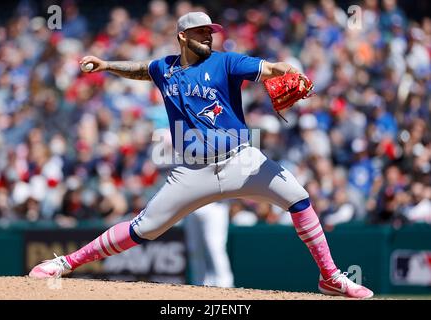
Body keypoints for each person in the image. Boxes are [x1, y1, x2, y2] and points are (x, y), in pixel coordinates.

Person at [29, 12, 373, 299]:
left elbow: (268, 69)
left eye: (210, 31)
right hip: (192, 171)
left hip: (242, 160)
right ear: (182, 36)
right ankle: (65, 263)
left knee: (299, 199)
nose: (208, 36)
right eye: (200, 32)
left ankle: (330, 277)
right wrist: (106, 65)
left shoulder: (226, 62)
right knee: (143, 229)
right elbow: (141, 69)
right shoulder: (164, 68)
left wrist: (286, 68)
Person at [184, 202, 234, 288]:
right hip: (192, 205)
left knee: (215, 247)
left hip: (216, 205)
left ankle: (225, 284)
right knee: (194, 249)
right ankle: (199, 283)